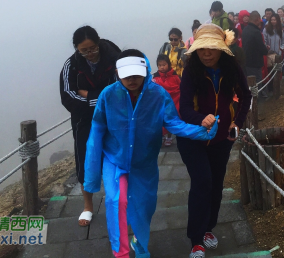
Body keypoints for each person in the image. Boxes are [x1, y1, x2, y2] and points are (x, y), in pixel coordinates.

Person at [84, 49, 218, 258]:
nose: (132, 79)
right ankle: (121, 253)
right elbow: (96, 133)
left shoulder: (157, 95)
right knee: (115, 201)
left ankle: (140, 242)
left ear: (146, 70)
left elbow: (173, 123)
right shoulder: (108, 96)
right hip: (115, 160)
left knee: (144, 207)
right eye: (126, 74)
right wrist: (91, 179)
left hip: (144, 163)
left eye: (137, 74)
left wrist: (202, 130)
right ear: (118, 73)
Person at [179, 25, 252, 258]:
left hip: (222, 138)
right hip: (193, 138)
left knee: (216, 184)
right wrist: (202, 119)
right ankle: (196, 240)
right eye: (202, 49)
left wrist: (237, 123)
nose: (207, 54)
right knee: (202, 182)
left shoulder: (232, 69)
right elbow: (185, 109)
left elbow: (246, 96)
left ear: (222, 49)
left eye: (212, 48)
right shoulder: (191, 71)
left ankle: (208, 229)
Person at [59, 25, 121, 227]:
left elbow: (121, 86)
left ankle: (121, 200)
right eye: (84, 50)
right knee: (85, 159)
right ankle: (87, 206)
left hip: (115, 116)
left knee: (118, 156)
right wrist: (100, 98)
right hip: (84, 120)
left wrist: (89, 95)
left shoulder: (114, 57)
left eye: (93, 48)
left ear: (99, 42)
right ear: (76, 48)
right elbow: (69, 97)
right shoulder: (72, 65)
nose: (90, 54)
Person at [152, 54, 181, 147]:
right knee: (160, 119)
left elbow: (181, 88)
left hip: (174, 102)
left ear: (168, 64)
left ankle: (169, 137)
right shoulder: (155, 77)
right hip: (161, 103)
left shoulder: (175, 76)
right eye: (159, 65)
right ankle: (163, 136)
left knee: (171, 119)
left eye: (164, 65)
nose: (162, 67)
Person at [241, 11, 268, 85]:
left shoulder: (245, 30)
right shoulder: (256, 32)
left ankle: (252, 96)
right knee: (257, 81)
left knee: (249, 81)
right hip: (255, 62)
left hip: (246, 60)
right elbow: (261, 47)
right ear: (257, 19)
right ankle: (257, 96)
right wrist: (266, 50)